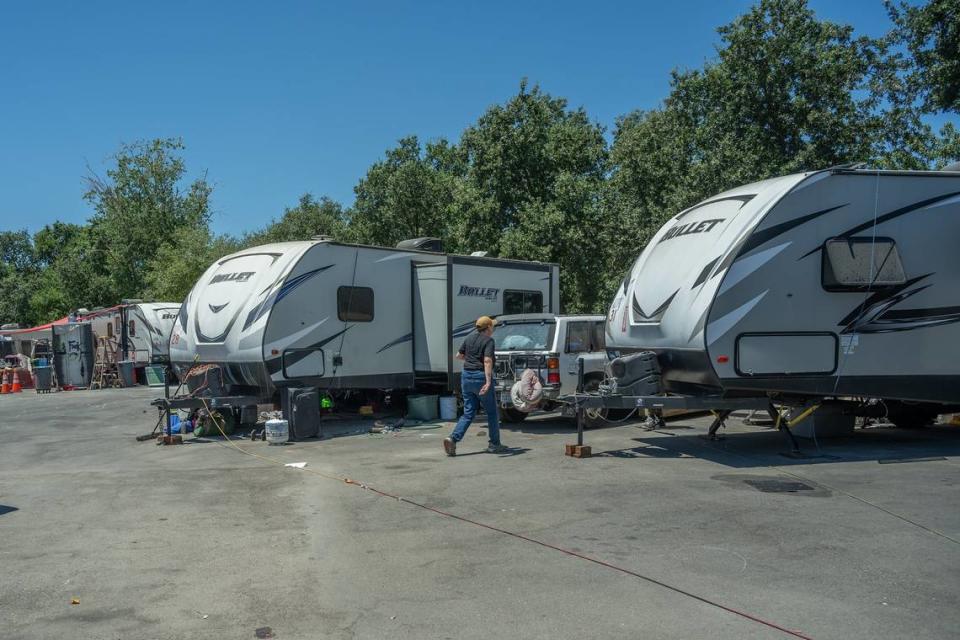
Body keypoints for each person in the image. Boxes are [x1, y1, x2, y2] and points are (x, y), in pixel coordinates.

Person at [443, 316, 507, 456]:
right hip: (480, 378)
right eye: (492, 326)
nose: (493, 328)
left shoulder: (469, 338)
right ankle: (494, 444)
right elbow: (488, 361)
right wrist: (488, 381)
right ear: (488, 328)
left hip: (466, 377)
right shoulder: (489, 341)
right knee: (491, 412)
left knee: (468, 413)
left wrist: (471, 360)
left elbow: (459, 355)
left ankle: (453, 438)